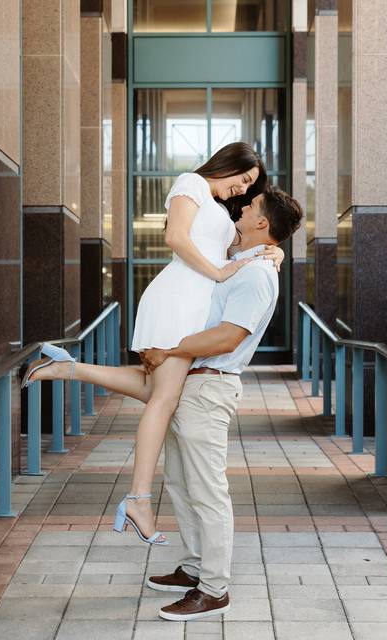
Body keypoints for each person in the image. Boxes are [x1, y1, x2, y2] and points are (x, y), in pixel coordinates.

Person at [28, 186, 303, 621]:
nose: (241, 206)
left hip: (209, 388)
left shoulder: (256, 273)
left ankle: (214, 589)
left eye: (248, 206)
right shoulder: (247, 262)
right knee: (182, 483)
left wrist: (173, 349)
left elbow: (230, 335)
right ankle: (196, 568)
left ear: (261, 223)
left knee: (207, 491)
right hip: (193, 382)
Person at [20, 142, 284, 544]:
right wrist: (219, 271)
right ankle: (139, 499)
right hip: (179, 296)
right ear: (228, 164)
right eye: (243, 179)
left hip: (195, 300)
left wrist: (272, 252)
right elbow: (176, 238)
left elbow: (238, 249)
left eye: (250, 187)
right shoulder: (190, 182)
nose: (243, 191)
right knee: (164, 399)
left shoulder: (218, 209)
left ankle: (64, 368)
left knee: (155, 388)